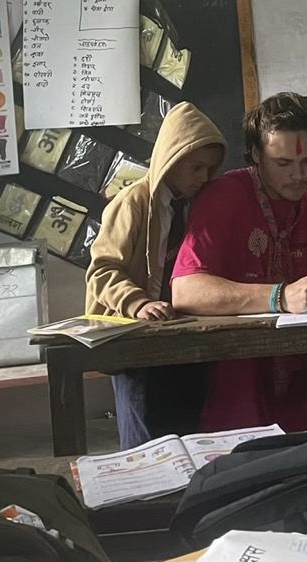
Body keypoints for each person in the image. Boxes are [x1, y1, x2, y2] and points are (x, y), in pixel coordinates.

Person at [171, 91, 307, 431]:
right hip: (231, 393)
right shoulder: (221, 198)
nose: (299, 175)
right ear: (256, 154)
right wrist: (279, 296)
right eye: (283, 163)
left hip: (305, 387)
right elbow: (185, 291)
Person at [85, 101, 226, 448]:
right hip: (136, 342)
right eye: (195, 167)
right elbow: (101, 271)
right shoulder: (132, 203)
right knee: (144, 431)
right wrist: (137, 302)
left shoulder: (199, 204)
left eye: (209, 169)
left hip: (182, 336)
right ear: (171, 158)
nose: (203, 177)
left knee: (190, 428)